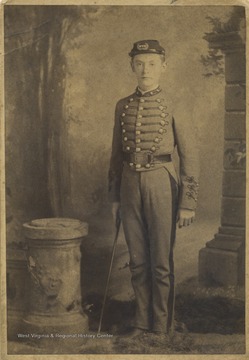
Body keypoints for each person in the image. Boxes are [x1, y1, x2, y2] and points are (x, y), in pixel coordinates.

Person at [108, 40, 199, 336]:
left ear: (163, 66)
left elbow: (190, 154)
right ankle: (141, 322)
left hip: (161, 180)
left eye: (151, 63)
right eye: (139, 63)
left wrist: (188, 202)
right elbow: (115, 155)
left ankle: (161, 326)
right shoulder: (123, 105)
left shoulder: (174, 103)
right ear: (131, 66)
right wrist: (115, 198)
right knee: (137, 261)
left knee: (161, 261)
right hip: (129, 185)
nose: (145, 69)